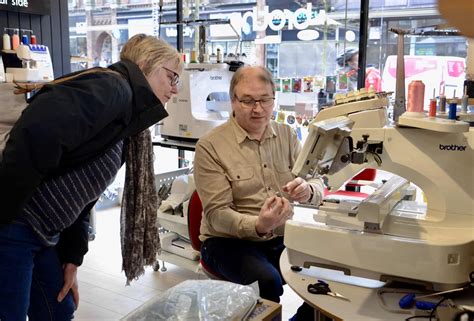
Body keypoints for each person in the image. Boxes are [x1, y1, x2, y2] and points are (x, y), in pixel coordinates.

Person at [0, 34, 183, 320]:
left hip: (42, 233)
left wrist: (72, 257)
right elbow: (33, 135)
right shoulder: (112, 88)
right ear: (145, 64)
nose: (174, 90)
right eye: (172, 77)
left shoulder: (129, 120)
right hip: (16, 225)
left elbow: (86, 192)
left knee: (59, 310)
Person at [193, 66, 324, 320]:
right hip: (226, 242)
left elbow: (317, 180)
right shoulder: (210, 147)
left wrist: (309, 191)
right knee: (267, 281)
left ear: (274, 99)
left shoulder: (287, 135)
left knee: (331, 270)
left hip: (281, 236)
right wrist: (260, 225)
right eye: (248, 101)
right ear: (232, 100)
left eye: (265, 100)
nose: (258, 109)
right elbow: (217, 214)